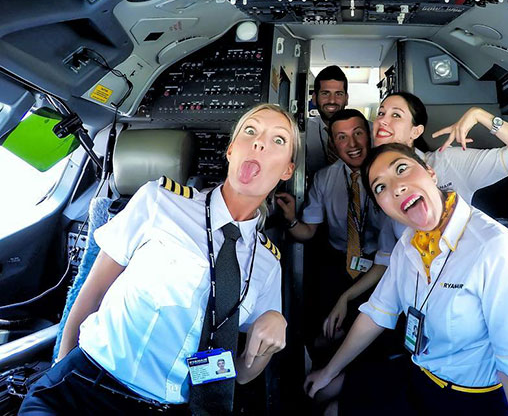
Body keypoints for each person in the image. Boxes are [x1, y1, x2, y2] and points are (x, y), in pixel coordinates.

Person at [20, 103, 299, 415]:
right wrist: (61, 367)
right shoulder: (160, 200)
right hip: (83, 386)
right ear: (231, 150)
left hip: (165, 408)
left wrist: (271, 335)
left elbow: (242, 375)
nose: (259, 142)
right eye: (250, 131)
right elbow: (93, 290)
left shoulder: (267, 264)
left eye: (278, 140)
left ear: (287, 170)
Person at [305, 143, 508, 416]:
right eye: (381, 187)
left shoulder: (495, 249)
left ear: (431, 173)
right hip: (418, 373)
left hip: (468, 397)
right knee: (322, 395)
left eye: (401, 169)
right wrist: (328, 371)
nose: (396, 188)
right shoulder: (408, 243)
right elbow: (377, 313)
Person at [372, 92, 508, 250]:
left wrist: (480, 115)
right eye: (381, 113)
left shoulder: (446, 161)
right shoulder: (375, 180)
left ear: (416, 131)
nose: (383, 121)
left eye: (396, 115)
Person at [277, 109, 390, 341]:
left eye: (358, 133)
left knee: (376, 336)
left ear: (369, 135)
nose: (352, 144)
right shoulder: (324, 178)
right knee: (326, 332)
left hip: (384, 267)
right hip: (339, 263)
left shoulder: (389, 174)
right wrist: (291, 220)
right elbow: (308, 232)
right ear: (333, 144)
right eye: (342, 137)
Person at [306, 65, 349, 180]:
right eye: (325, 93)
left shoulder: (368, 131)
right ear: (314, 98)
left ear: (346, 98)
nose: (332, 100)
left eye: (338, 94)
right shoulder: (302, 130)